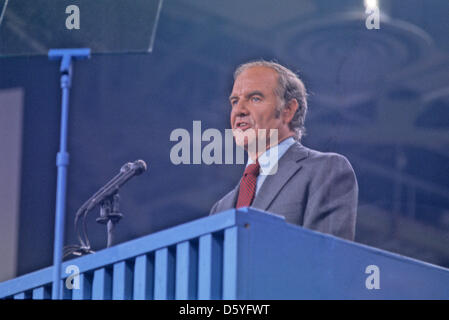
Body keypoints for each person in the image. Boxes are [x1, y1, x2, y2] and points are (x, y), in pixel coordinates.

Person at [209, 60, 358, 241]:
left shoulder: (325, 170)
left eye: (255, 98)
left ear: (288, 110)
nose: (239, 110)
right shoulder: (220, 208)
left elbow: (327, 260)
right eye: (235, 101)